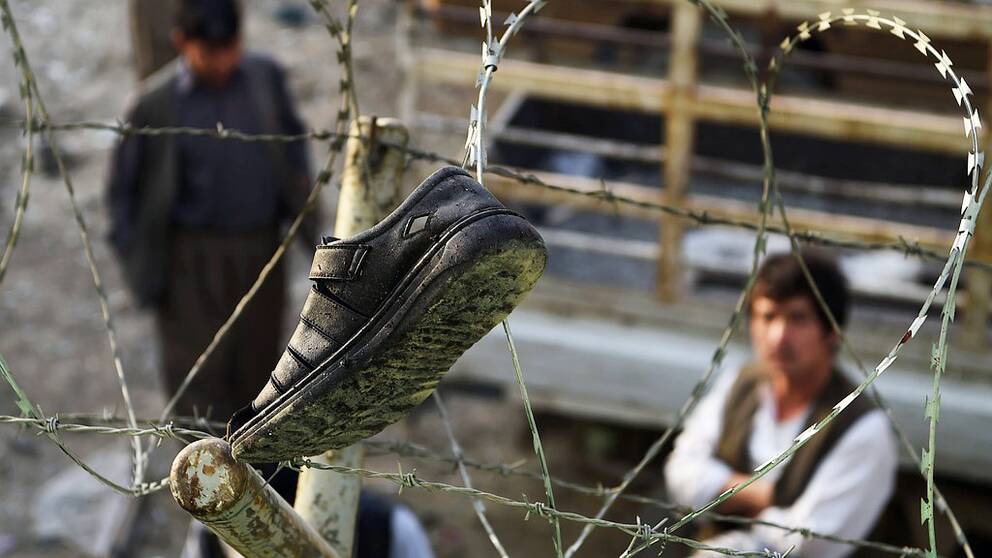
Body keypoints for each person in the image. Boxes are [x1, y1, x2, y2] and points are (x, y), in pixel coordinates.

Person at [106, 0, 320, 424]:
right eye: (209, 52)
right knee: (198, 381)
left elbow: (294, 158)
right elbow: (122, 197)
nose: (222, 62)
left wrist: (308, 225)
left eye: (231, 48)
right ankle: (204, 482)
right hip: (190, 265)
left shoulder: (264, 81)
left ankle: (260, 479)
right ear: (181, 43)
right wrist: (144, 272)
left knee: (261, 375)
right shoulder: (154, 106)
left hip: (259, 252)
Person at [664, 250, 897, 557]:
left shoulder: (862, 427)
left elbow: (809, 542)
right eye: (767, 316)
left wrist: (721, 494)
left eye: (798, 319)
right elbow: (680, 474)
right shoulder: (740, 385)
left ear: (832, 330)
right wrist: (764, 495)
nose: (778, 336)